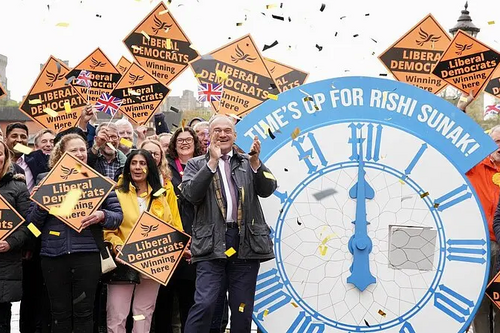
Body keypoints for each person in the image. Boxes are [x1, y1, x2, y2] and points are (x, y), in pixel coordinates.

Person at [182, 115, 277, 333]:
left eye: (227, 130)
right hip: (211, 242)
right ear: (208, 136)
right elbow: (191, 195)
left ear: (235, 135)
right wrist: (212, 163)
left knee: (242, 308)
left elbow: (268, 188)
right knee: (205, 303)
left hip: (244, 242)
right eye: (217, 130)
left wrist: (256, 164)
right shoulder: (196, 164)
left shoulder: (247, 161)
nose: (223, 134)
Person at [27, 133, 123, 333]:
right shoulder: (44, 180)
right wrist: (42, 206)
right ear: (60, 154)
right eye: (73, 150)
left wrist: (102, 215)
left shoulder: (99, 181)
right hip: (53, 256)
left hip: (87, 255)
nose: (80, 154)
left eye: (82, 150)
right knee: (59, 313)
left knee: (84, 313)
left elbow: (117, 217)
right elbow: (32, 226)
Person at [104, 149, 186, 333]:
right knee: (117, 314)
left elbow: (170, 226)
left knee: (143, 313)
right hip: (122, 263)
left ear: (150, 168)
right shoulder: (116, 194)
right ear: (127, 167)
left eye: (143, 163)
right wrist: (118, 247)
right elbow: (108, 230)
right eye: (134, 163)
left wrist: (177, 248)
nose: (138, 168)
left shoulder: (161, 196)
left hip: (152, 262)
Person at [153, 128, 203, 332]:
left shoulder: (204, 165)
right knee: (164, 297)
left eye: (189, 139)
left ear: (196, 142)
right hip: (168, 236)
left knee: (189, 296)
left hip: (196, 235)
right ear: (173, 144)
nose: (184, 143)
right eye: (180, 140)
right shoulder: (166, 170)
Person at [471, 125, 500, 333]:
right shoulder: (474, 165)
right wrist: (461, 108)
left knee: (499, 300)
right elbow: (456, 142)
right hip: (478, 244)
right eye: (497, 141)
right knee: (478, 299)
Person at [0, 140, 31, 332]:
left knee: (2, 319)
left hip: (6, 264)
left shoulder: (18, 187)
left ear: (5, 157)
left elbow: (29, 226)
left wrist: (11, 243)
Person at [4, 123, 32, 187]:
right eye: (14, 136)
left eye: (23, 137)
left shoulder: (35, 162)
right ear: (5, 139)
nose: (19, 140)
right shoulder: (1, 161)